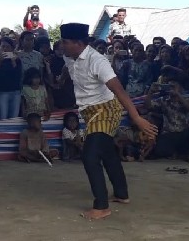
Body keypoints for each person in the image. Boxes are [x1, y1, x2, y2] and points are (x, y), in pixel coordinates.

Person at [61, 23, 157, 221]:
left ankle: (101, 206)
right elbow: (70, 72)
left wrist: (137, 118)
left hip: (107, 109)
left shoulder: (98, 61)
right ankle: (121, 194)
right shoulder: (68, 57)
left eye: (65, 42)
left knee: (90, 155)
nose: (61, 45)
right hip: (90, 112)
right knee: (107, 152)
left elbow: (119, 90)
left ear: (78, 43)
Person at [0, 38, 23, 119]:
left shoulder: (17, 61)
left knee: (14, 118)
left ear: (12, 48)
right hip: (1, 92)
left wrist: (13, 61)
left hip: (15, 92)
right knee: (2, 117)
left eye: (8, 47)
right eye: (3, 46)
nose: (5, 49)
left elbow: (18, 76)